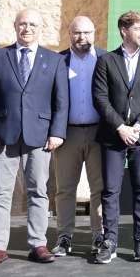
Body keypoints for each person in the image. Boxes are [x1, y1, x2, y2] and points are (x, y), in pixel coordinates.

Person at [0, 9, 68, 269]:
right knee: (0, 193)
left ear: (41, 28)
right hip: (3, 136)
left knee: (39, 191)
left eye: (33, 25)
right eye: (23, 24)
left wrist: (58, 132)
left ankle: (38, 243)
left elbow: (61, 101)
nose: (27, 28)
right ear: (15, 27)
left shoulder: (55, 60)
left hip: (40, 137)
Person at [91, 10, 140, 264]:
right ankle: (109, 241)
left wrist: (138, 126)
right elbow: (100, 98)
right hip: (113, 137)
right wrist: (120, 127)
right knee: (111, 190)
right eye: (138, 28)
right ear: (124, 31)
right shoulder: (107, 61)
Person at [52, 16, 106, 258]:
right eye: (77, 33)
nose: (82, 37)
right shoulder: (58, 61)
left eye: (87, 32)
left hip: (99, 133)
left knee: (100, 188)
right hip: (67, 134)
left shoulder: (106, 59)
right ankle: (64, 237)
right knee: (65, 189)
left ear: (95, 33)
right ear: (69, 34)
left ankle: (99, 235)